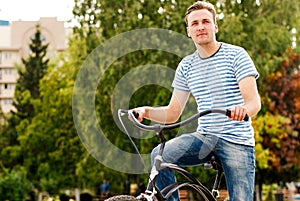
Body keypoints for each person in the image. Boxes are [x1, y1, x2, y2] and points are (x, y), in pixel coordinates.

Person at [132, 1, 261, 201]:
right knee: (160, 154)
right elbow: (173, 112)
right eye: (195, 23)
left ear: (215, 26)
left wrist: (242, 110)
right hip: (204, 138)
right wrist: (146, 111)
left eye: (205, 21)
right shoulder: (186, 66)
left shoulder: (237, 55)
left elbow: (254, 103)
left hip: (236, 140)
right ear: (188, 31)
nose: (200, 26)